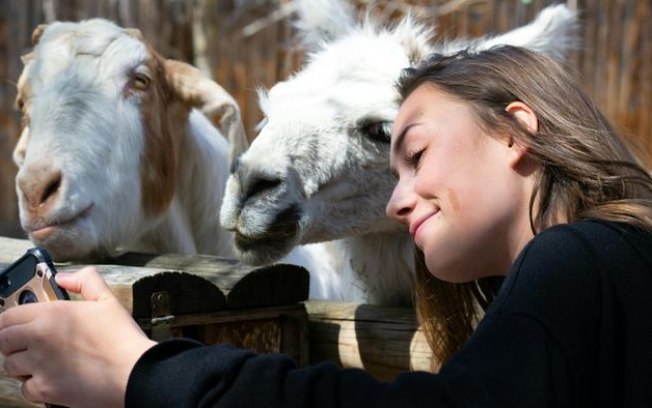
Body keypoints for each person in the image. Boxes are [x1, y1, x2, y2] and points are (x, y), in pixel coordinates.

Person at [1, 45, 652, 407]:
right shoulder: (617, 268)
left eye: (416, 154)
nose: (398, 205)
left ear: (516, 133)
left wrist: (141, 371)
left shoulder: (578, 258)